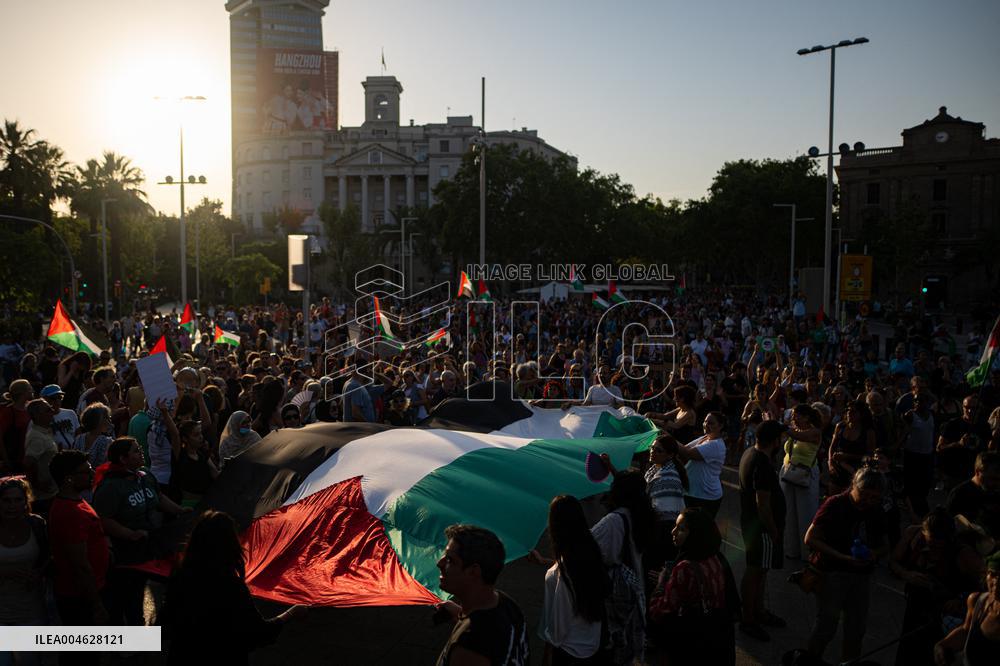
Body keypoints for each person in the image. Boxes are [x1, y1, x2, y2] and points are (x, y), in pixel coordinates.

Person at [164, 510, 305, 665]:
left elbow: (166, 628)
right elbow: (259, 633)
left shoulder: (179, 577)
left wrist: (133, 642)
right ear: (231, 545)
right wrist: (291, 613)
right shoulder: (231, 586)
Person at [92, 436, 188, 625]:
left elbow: (158, 498)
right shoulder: (110, 486)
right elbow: (104, 519)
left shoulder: (144, 474)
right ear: (123, 458)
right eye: (136, 450)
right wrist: (129, 534)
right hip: (125, 551)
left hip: (149, 544)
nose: (141, 452)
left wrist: (180, 510)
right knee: (128, 597)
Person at [804, 467, 889, 663]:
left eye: (874, 497)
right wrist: (842, 557)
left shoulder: (877, 510)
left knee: (856, 629)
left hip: (862, 576)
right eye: (864, 495)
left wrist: (872, 554)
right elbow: (810, 538)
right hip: (833, 573)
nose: (868, 501)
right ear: (853, 486)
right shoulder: (835, 504)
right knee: (826, 626)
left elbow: (885, 546)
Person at [891, 508, 984, 666]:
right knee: (906, 654)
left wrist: (962, 601)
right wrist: (906, 574)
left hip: (945, 618)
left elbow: (989, 584)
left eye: (941, 543)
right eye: (931, 541)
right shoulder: (912, 535)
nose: (935, 547)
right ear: (923, 531)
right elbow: (893, 562)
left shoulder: (964, 554)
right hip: (915, 608)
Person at [647, 508, 739, 666]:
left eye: (681, 529)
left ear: (696, 534)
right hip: (719, 641)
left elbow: (659, 610)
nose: (673, 532)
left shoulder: (685, 568)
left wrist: (662, 583)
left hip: (692, 646)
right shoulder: (716, 556)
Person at [528, 496, 610, 665]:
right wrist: (545, 562)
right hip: (591, 645)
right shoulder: (589, 553)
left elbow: (558, 626)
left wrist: (547, 653)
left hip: (568, 652)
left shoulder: (565, 571)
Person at [435, 524, 529, 665]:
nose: (439, 563)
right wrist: (462, 615)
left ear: (474, 571)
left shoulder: (469, 651)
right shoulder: (507, 604)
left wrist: (467, 626)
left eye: (450, 560)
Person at [47, 450, 110, 661]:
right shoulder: (70, 512)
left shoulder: (75, 502)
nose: (92, 473)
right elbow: (80, 565)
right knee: (83, 657)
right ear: (68, 478)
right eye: (86, 471)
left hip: (86, 592)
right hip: (79, 597)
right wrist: (96, 604)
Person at [738, 419, 787, 641]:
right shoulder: (762, 464)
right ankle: (748, 618)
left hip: (753, 525)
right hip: (761, 529)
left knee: (760, 570)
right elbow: (763, 504)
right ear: (775, 441)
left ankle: (758, 610)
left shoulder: (751, 453)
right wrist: (774, 531)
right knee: (755, 571)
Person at [0, 475, 48, 666]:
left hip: (30, 612)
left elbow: (49, 558)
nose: (12, 506)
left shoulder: (37, 525)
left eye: (18, 500)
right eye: (6, 500)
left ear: (26, 500)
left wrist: (38, 573)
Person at [933, 550, 1000, 665]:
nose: (997, 582)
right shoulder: (978, 601)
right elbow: (966, 630)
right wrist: (941, 645)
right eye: (993, 574)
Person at [781, 404, 823, 560]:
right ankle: (792, 550)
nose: (794, 418)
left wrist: (782, 427)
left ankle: (808, 553)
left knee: (806, 513)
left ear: (807, 417)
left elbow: (802, 437)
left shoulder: (815, 432)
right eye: (793, 415)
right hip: (788, 472)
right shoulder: (794, 430)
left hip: (806, 474)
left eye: (797, 415)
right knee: (789, 513)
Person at [643, 434, 688, 569]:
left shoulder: (666, 478)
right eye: (652, 447)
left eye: (658, 450)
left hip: (664, 533)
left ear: (670, 455)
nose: (652, 451)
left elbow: (662, 514)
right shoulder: (656, 469)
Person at [677, 412, 728, 519]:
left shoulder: (716, 445)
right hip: (693, 492)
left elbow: (687, 453)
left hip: (705, 496)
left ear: (721, 426)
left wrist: (666, 438)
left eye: (711, 423)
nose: (706, 425)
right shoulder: (705, 438)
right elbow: (684, 449)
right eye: (705, 421)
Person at [946, 451, 1000, 538]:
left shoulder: (996, 492)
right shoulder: (959, 494)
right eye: (993, 479)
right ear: (978, 472)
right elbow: (948, 529)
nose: (997, 484)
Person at [22, 398, 59, 515]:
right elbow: (28, 463)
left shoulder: (43, 431)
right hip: (43, 498)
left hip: (50, 493)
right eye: (48, 410)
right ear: (37, 415)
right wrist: (38, 484)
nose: (52, 411)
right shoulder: (37, 437)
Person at [0, 379, 33, 474]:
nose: (32, 390)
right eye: (29, 388)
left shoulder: (30, 409)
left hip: (28, 459)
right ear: (22, 393)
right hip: (14, 461)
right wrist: (7, 461)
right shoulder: (8, 412)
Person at [71, 403, 113, 469]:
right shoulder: (106, 441)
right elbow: (101, 466)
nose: (109, 421)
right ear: (100, 421)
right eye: (108, 417)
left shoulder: (79, 438)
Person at [40, 383, 79, 451]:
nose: (57, 400)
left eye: (60, 397)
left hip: (72, 453)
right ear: (44, 400)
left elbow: (78, 435)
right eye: (53, 398)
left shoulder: (71, 413)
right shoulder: (39, 418)